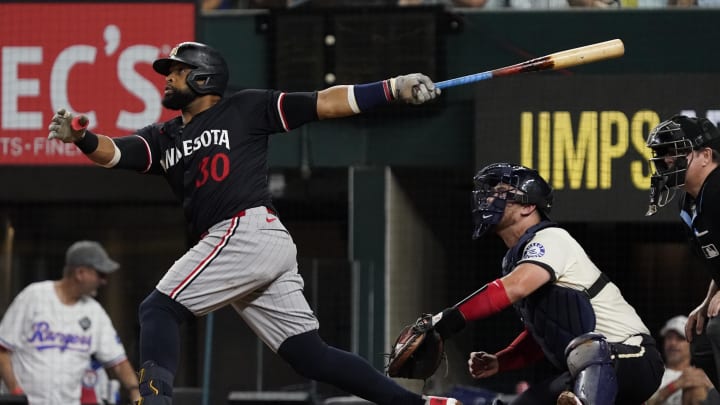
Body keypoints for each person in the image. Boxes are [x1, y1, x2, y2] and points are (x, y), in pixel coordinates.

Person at [46, 41, 457, 405]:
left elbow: (324, 102)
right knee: (309, 355)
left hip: (245, 230)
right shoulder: (164, 136)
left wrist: (392, 87)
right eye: (168, 72)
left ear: (204, 76)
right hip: (250, 242)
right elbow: (115, 152)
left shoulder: (244, 107)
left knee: (158, 308)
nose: (167, 78)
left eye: (177, 70)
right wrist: (82, 137)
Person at [419, 163, 663, 404]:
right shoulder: (516, 258)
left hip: (632, 358)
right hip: (591, 368)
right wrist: (501, 360)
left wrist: (447, 321)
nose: (491, 198)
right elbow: (548, 330)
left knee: (590, 351)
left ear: (528, 206)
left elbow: (513, 288)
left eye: (503, 193)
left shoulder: (551, 238)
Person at [0, 240, 141, 405]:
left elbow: (118, 362)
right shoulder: (33, 296)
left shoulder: (94, 311)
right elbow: (2, 350)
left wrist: (135, 392)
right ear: (80, 273)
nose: (104, 281)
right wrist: (16, 392)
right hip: (28, 402)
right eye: (100, 274)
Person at [645, 115, 720, 390]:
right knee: (699, 338)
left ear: (705, 155)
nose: (666, 160)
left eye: (676, 152)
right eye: (663, 153)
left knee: (718, 329)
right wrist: (708, 299)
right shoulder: (688, 203)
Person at [647, 315, 717, 405]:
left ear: (691, 344)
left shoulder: (703, 376)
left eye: (680, 339)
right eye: (669, 337)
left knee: (696, 388)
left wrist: (709, 386)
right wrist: (675, 385)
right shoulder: (652, 374)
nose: (673, 343)